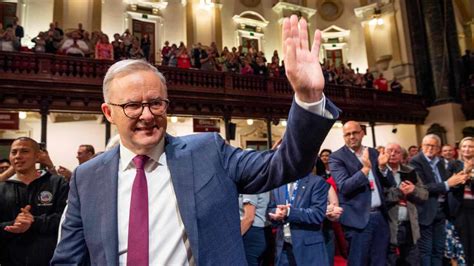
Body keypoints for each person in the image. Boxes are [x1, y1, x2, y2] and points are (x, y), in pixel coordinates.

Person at [51, 15, 340, 265]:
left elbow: (288, 164)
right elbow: (70, 259)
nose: (147, 115)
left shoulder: (208, 152)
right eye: (132, 106)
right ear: (109, 113)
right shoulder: (86, 177)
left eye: (156, 103)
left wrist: (308, 98)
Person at [329, 121, 390, 266]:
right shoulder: (337, 157)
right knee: (358, 262)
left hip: (380, 216)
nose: (351, 137)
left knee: (380, 261)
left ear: (362, 133)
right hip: (358, 219)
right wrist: (365, 169)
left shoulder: (373, 152)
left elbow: (388, 183)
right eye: (347, 134)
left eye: (354, 133)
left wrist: (382, 168)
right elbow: (344, 187)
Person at [0, 137, 68, 265]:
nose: (18, 156)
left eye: (24, 151)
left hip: (50, 259)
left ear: (37, 156)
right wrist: (14, 224)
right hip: (10, 260)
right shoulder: (2, 188)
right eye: (14, 152)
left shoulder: (57, 183)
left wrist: (34, 221)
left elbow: (65, 219)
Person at [409, 134, 468, 266]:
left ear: (438, 149)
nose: (430, 148)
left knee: (439, 250)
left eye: (433, 146)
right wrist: (448, 184)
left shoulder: (440, 162)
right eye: (427, 145)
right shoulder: (415, 162)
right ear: (421, 147)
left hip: (441, 211)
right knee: (426, 251)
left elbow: (449, 182)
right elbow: (422, 187)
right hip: (426, 210)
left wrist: (459, 179)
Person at [381, 143, 428, 266]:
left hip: (409, 224)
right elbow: (381, 198)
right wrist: (400, 192)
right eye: (389, 151)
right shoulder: (380, 172)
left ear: (402, 156)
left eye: (397, 151)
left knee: (412, 261)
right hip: (389, 225)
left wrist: (414, 190)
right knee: (390, 260)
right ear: (383, 154)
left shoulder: (410, 171)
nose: (392, 154)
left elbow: (424, 195)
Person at [269, 173, 330, 265]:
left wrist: (289, 212)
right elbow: (271, 208)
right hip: (283, 248)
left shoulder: (317, 182)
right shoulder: (278, 183)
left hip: (308, 249)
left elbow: (318, 214)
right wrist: (276, 212)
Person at [447, 137, 474, 266]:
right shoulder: (454, 165)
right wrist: (466, 171)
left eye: (470, 146)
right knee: (464, 243)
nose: (467, 149)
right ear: (459, 149)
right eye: (464, 146)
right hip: (460, 209)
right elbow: (453, 185)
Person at [239, 192, 270, 266]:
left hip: (250, 234)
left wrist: (234, 239)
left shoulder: (250, 188)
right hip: (258, 233)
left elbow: (249, 218)